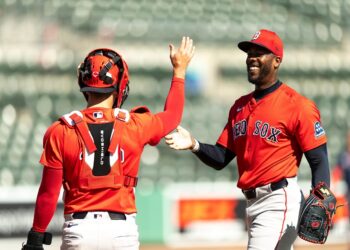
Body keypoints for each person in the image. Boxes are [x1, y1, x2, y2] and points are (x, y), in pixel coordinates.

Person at [22, 37, 195, 250]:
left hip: (79, 230)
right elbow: (172, 116)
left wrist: (36, 237)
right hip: (121, 233)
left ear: (83, 82)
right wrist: (179, 71)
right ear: (120, 85)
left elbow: (48, 192)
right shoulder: (136, 124)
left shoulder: (60, 130)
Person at [165, 29, 331, 249]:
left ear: (276, 61)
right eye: (249, 52)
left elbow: (318, 158)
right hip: (253, 203)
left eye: (260, 52)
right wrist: (194, 144)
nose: (252, 57)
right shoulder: (239, 107)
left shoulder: (297, 105)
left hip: (278, 200)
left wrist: (322, 195)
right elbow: (221, 157)